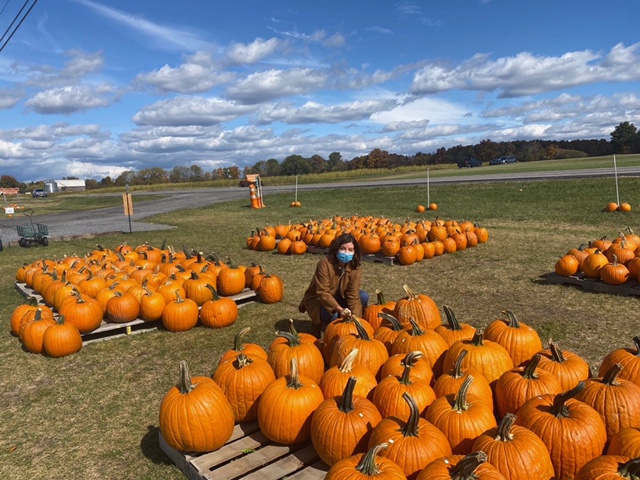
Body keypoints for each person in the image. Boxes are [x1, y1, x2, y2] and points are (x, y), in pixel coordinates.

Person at [298, 233, 369, 336]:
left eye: (350, 250)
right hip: (319, 299)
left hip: (339, 296)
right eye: (343, 248)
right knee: (334, 316)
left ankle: (352, 324)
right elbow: (323, 292)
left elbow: (353, 295)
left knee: (363, 296)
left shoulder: (354, 268)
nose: (346, 252)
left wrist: (357, 320)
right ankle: (320, 326)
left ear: (355, 252)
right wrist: (340, 309)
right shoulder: (325, 264)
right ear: (336, 249)